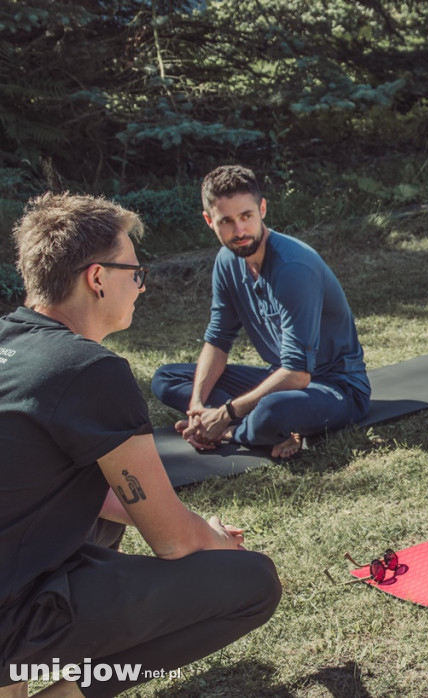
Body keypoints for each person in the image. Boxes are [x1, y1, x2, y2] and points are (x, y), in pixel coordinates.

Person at [0, 193, 281, 698]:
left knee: (104, 518)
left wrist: (197, 528)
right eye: (135, 271)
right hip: (9, 613)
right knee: (253, 583)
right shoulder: (88, 369)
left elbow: (73, 489)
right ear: (97, 277)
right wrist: (215, 543)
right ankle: (64, 694)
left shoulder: (10, 343)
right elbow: (174, 542)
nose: (141, 285)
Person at [151, 165, 369, 459]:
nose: (239, 231)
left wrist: (226, 414)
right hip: (279, 377)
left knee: (273, 409)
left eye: (246, 216)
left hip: (334, 389)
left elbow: (297, 375)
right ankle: (249, 428)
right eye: (226, 221)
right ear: (209, 221)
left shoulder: (293, 267)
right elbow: (218, 339)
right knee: (167, 379)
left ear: (262, 209)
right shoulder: (227, 261)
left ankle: (233, 431)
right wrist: (198, 406)